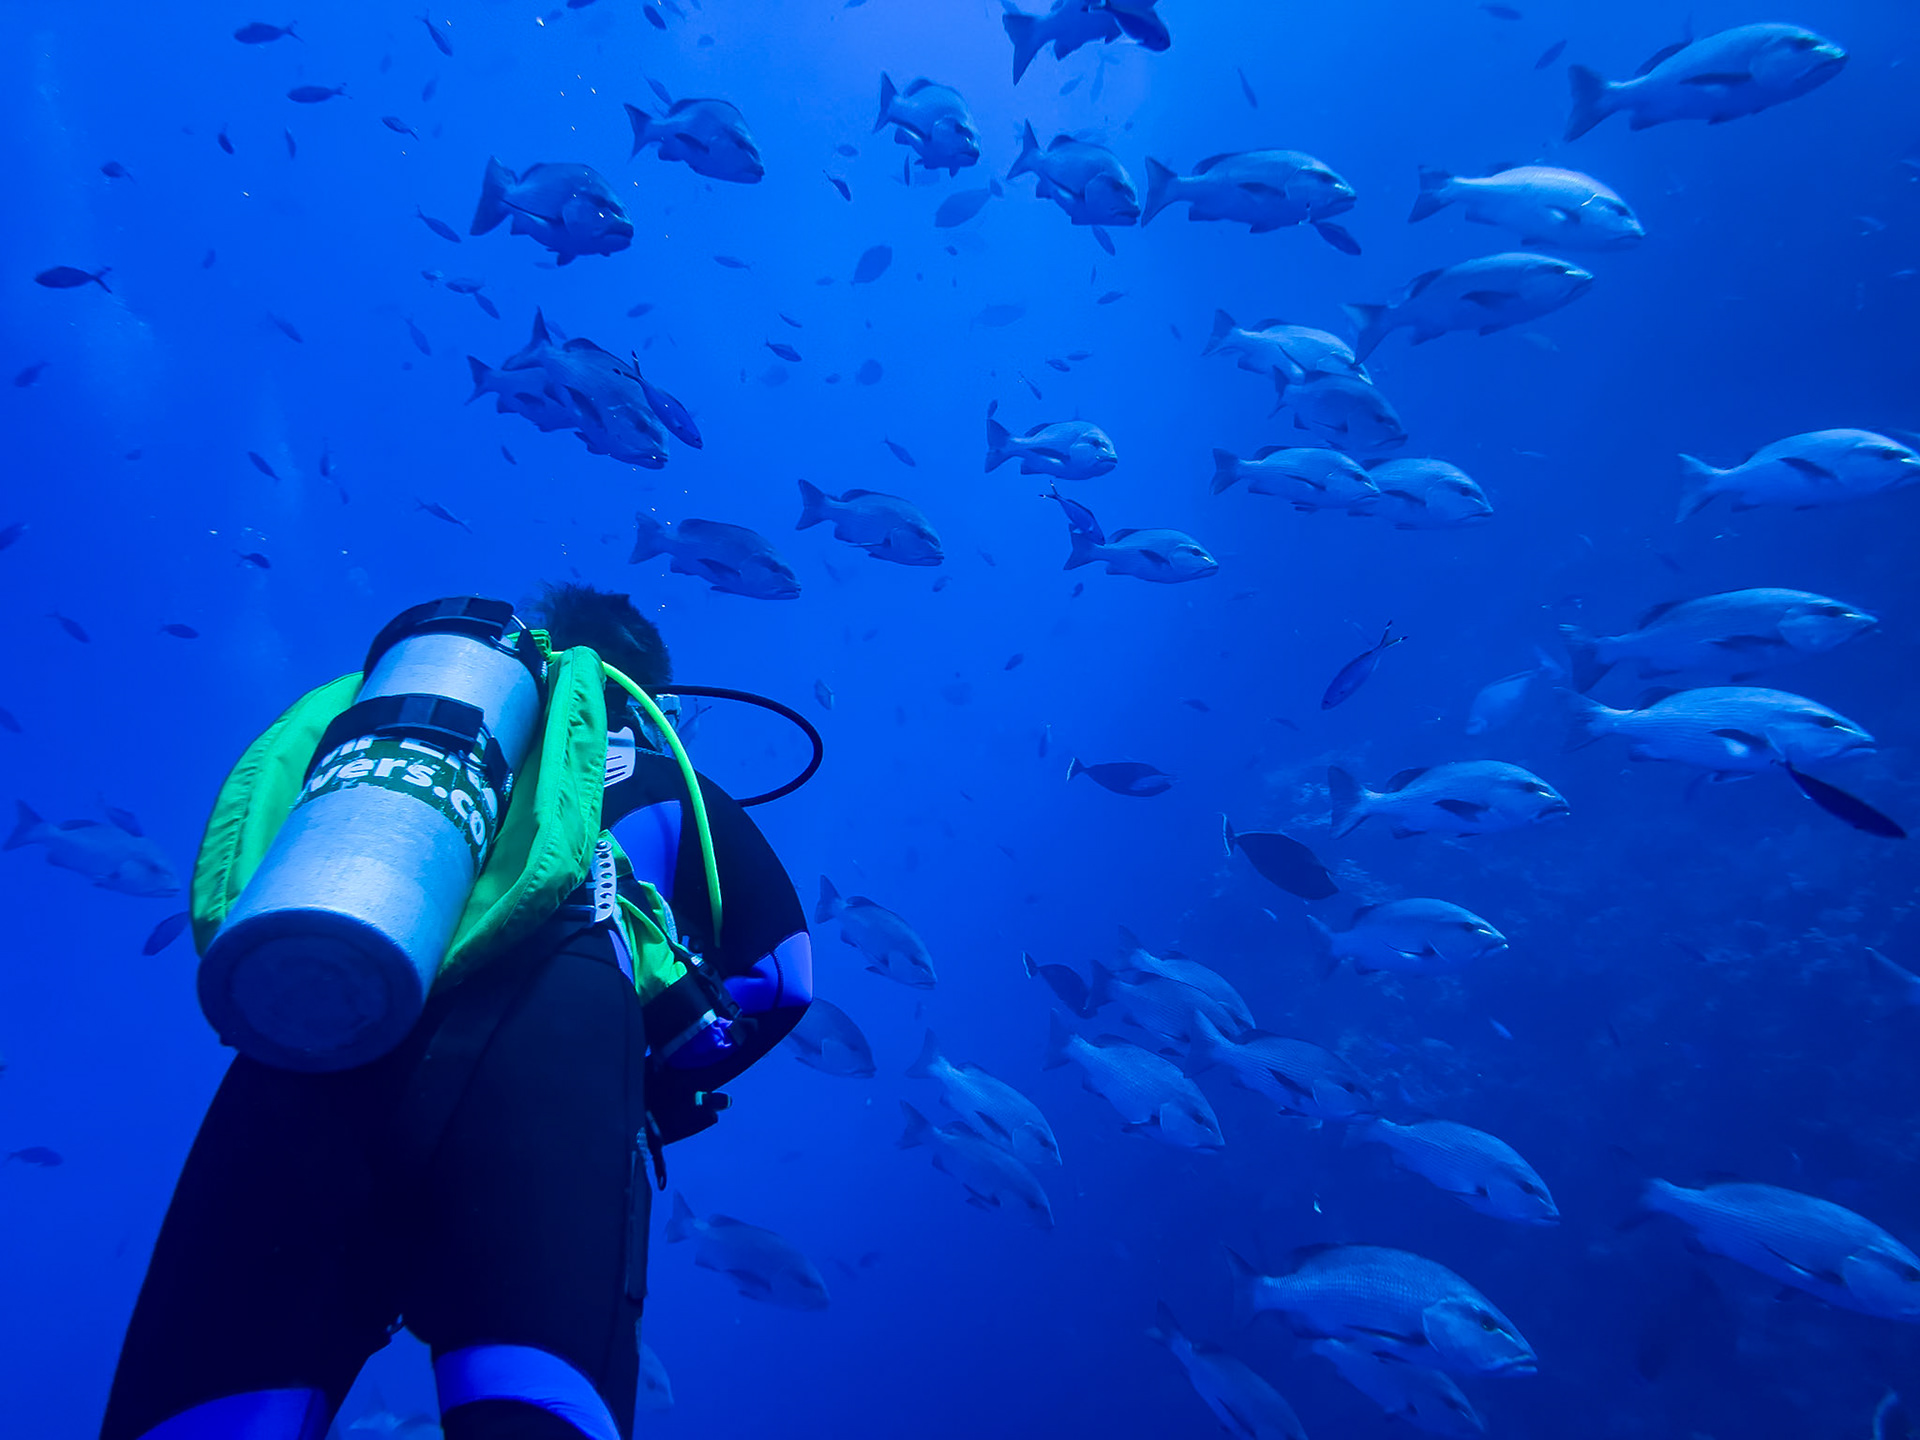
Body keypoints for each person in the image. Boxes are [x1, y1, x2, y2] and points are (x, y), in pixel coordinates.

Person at [100, 584, 812, 1440]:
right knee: (536, 1410)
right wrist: (657, 1068)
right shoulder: (661, 771)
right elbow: (782, 979)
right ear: (649, 702)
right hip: (556, 1052)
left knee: (206, 1419)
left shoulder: (393, 744)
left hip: (322, 1039)